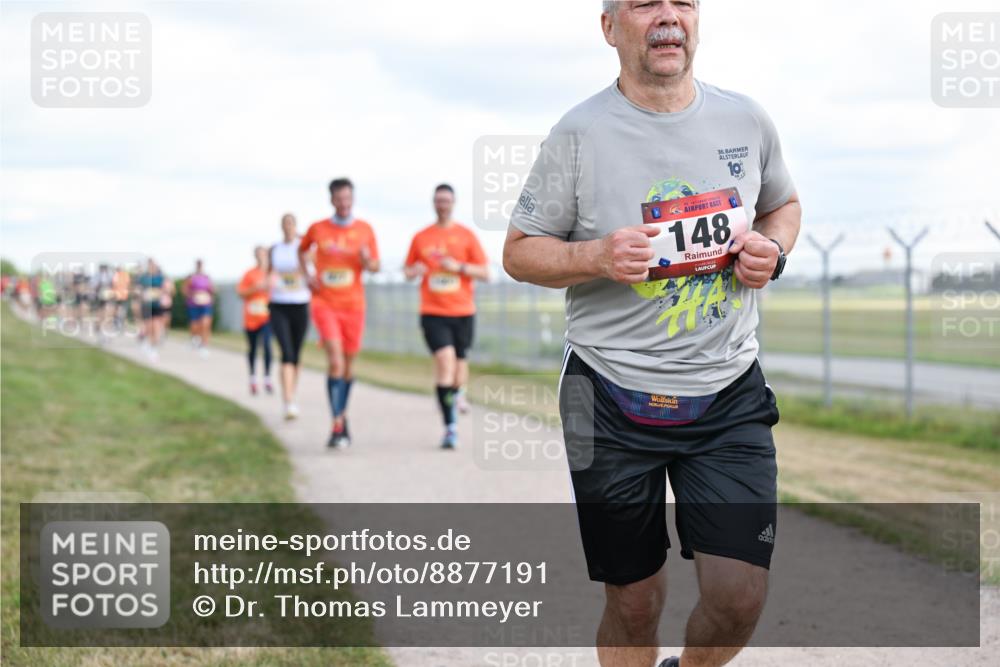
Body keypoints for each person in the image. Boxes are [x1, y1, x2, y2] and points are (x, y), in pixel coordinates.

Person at [503, 2, 802, 666]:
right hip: (608, 398)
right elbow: (520, 252)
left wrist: (772, 249)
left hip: (727, 395)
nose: (668, 17)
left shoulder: (745, 119)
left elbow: (782, 203)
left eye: (683, 2)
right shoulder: (577, 134)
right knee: (633, 601)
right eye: (644, 3)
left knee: (739, 596)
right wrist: (595, 257)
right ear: (610, 28)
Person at [403, 184, 490, 449]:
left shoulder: (466, 236)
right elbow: (407, 271)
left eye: (447, 200)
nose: (443, 204)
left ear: (453, 203)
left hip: (463, 311)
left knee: (459, 362)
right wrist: (414, 270)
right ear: (433, 203)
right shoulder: (421, 237)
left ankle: (456, 395)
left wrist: (459, 267)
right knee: (445, 360)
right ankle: (450, 427)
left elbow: (485, 273)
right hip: (433, 311)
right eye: (439, 200)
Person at [299, 178, 380, 449]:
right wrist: (307, 275)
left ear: (352, 199)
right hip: (324, 303)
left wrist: (368, 261)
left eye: (348, 199)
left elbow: (375, 266)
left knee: (347, 366)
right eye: (339, 199)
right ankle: (337, 421)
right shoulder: (317, 229)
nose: (344, 204)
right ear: (331, 200)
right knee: (334, 361)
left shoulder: (365, 230)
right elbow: (301, 251)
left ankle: (342, 419)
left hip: (354, 306)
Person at [269, 213, 312, 419]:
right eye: (284, 223)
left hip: (300, 303)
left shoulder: (303, 248)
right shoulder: (275, 250)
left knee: (296, 353)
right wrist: (271, 280)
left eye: (291, 224)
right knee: (286, 352)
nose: (288, 227)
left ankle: (292, 394)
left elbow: (313, 268)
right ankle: (287, 400)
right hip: (279, 304)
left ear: (296, 226)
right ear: (281, 227)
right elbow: (269, 273)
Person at [237, 246, 274, 395]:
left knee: (267, 346)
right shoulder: (249, 274)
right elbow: (240, 292)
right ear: (255, 256)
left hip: (267, 317)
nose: (261, 257)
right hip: (251, 318)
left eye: (263, 254)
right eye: (258, 254)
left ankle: (267, 378)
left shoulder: (272, 273)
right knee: (252, 348)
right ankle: (252, 378)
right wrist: (255, 288)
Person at [183, 259, 214, 356]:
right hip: (193, 304)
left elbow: (212, 289)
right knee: (195, 325)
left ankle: (204, 345)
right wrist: (193, 294)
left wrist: (209, 294)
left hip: (205, 304)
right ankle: (195, 339)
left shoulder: (207, 277)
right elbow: (185, 290)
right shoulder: (191, 277)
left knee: (205, 324)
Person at [136, 259, 167, 359]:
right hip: (146, 305)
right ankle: (146, 341)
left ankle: (153, 347)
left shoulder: (160, 278)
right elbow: (138, 290)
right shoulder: (144, 278)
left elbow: (165, 288)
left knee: (156, 327)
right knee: (149, 327)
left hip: (157, 305)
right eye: (150, 266)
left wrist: (161, 294)